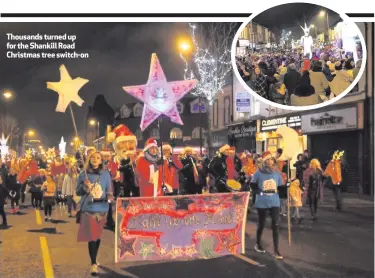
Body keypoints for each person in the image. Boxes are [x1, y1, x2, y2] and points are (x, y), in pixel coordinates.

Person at [76, 152, 113, 276]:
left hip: (102, 208)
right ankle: (93, 263)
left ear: (101, 160)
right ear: (89, 159)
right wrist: (85, 187)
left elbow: (109, 190)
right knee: (92, 236)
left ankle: (94, 258)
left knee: (97, 236)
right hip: (88, 208)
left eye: (98, 158)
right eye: (93, 157)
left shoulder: (105, 174)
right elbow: (78, 191)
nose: (95, 160)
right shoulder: (83, 174)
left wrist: (109, 198)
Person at [250, 151, 283, 260]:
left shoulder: (277, 173)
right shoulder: (258, 173)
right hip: (262, 202)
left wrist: (286, 188)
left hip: (274, 201)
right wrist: (259, 192)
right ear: (264, 161)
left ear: (274, 161)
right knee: (262, 224)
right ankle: (258, 243)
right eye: (267, 160)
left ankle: (276, 250)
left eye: (271, 159)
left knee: (275, 225)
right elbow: (253, 186)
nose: (269, 161)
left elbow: (280, 188)